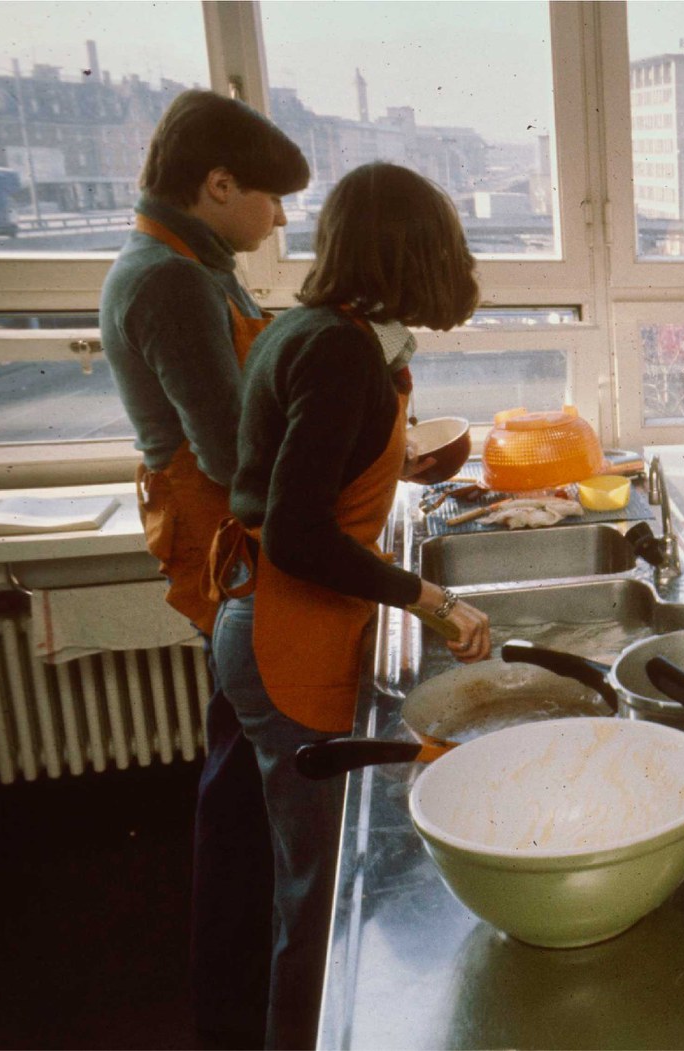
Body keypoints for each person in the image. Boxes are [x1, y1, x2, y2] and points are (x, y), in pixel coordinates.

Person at [210, 162, 491, 1049]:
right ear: (416, 257)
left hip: (274, 618)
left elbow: (303, 469)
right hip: (283, 630)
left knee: (317, 877)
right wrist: (430, 598)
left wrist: (394, 459)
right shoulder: (337, 351)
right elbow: (296, 531)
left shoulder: (329, 335)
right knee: (321, 890)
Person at [97, 89, 308, 1049]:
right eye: (269, 197)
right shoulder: (171, 281)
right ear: (217, 184)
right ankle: (234, 1005)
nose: (279, 218)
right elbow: (230, 453)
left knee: (238, 758)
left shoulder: (190, 263)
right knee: (243, 785)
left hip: (225, 535)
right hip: (224, 536)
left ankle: (231, 995)